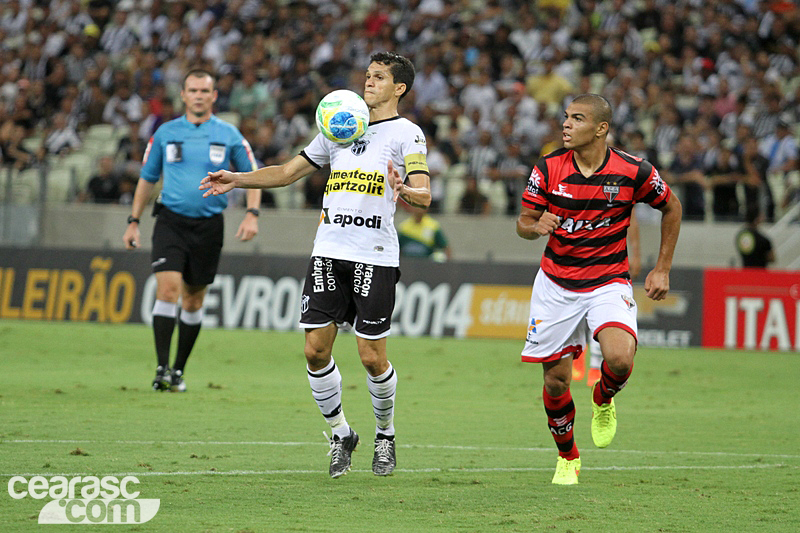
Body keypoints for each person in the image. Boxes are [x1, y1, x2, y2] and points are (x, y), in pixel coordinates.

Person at [200, 52, 431, 478]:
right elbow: (287, 172)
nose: (369, 82)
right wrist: (237, 178)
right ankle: (341, 434)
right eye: (367, 74)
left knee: (371, 356)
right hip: (328, 249)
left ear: (399, 88)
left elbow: (424, 193)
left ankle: (386, 435)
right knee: (314, 349)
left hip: (374, 255)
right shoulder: (338, 125)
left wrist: (406, 190)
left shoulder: (407, 134)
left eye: (379, 77)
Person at [516, 94, 681, 485]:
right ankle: (567, 456)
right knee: (556, 380)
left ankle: (603, 398)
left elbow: (671, 207)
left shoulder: (633, 170)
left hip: (608, 280)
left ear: (601, 128)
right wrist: (535, 226)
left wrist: (662, 268)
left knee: (620, 359)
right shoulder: (549, 168)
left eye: (577, 118)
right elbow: (523, 221)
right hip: (556, 284)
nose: (566, 125)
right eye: (566, 117)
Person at [122, 68, 261, 393]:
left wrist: (252, 213)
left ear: (213, 96)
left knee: (194, 302)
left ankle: (178, 370)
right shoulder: (166, 133)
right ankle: (161, 367)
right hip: (170, 222)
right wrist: (133, 220)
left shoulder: (228, 134)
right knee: (168, 290)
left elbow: (253, 174)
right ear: (183, 95)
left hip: (210, 226)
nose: (198, 95)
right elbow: (147, 177)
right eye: (193, 90)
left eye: (204, 91)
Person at [573, 212, 641, 386]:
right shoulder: (571, 189)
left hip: (610, 266)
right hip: (574, 261)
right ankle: (577, 354)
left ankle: (596, 366)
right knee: (576, 309)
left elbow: (631, 219)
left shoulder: (620, 189)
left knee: (606, 316)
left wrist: (636, 253)